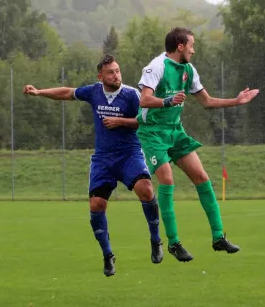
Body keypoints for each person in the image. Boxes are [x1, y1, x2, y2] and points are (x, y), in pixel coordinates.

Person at [23, 55, 163, 277]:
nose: (116, 75)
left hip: (129, 155)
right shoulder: (94, 92)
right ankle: (108, 255)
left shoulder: (131, 95)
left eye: (118, 71)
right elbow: (67, 93)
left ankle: (156, 239)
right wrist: (39, 92)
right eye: (111, 72)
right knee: (96, 205)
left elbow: (148, 120)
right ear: (101, 76)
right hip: (103, 159)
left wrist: (121, 122)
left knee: (145, 189)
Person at [136, 27, 259, 262]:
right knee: (167, 179)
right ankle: (173, 243)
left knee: (202, 177)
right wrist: (169, 100)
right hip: (153, 133)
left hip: (175, 131)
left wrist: (237, 100)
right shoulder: (157, 66)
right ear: (180, 46)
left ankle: (218, 237)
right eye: (191, 45)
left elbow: (207, 101)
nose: (194, 50)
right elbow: (145, 99)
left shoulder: (189, 69)